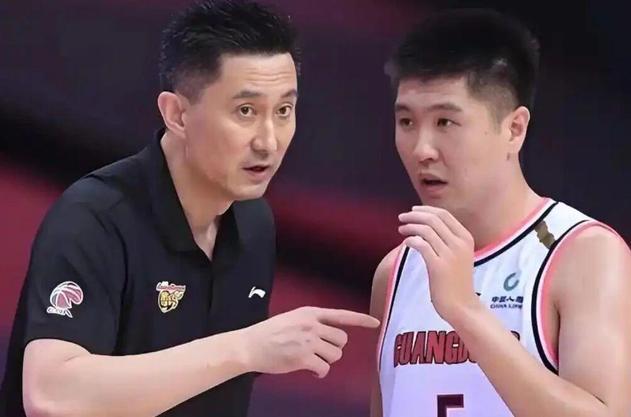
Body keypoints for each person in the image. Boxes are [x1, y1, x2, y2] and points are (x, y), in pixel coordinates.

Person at [0, 1, 379, 416]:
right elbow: (52, 396)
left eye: (284, 110)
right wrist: (247, 347)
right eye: (246, 111)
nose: (269, 141)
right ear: (177, 114)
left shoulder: (254, 222)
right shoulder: (94, 218)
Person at [370, 9, 631, 417]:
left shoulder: (585, 255)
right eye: (406, 121)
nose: (422, 148)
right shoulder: (395, 272)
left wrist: (465, 311)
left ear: (514, 129)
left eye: (445, 121)